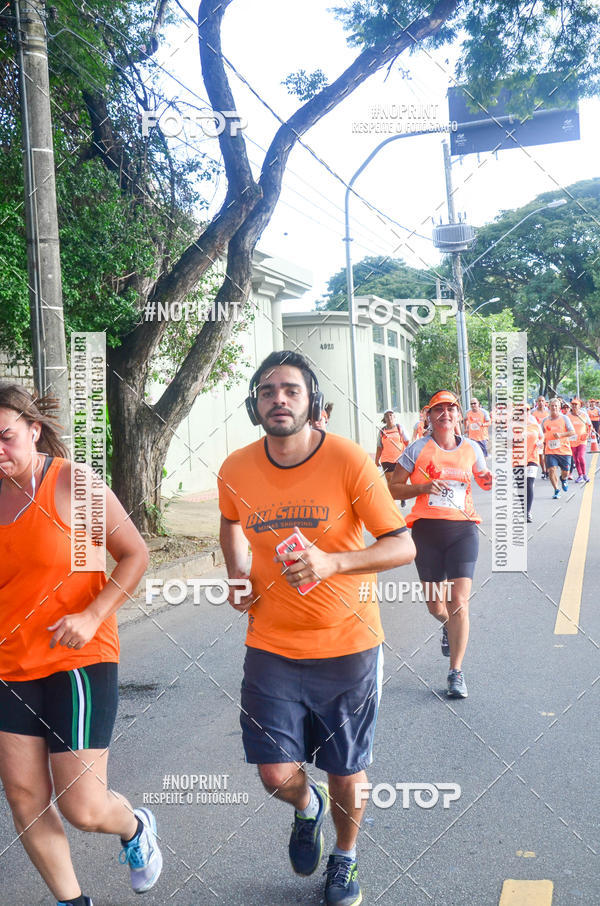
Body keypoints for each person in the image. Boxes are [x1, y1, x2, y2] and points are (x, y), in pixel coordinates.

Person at [218, 351, 415, 906]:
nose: (277, 398)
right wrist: (236, 575)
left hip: (346, 644)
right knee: (276, 772)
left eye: (290, 390)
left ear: (312, 403)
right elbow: (231, 522)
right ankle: (308, 808)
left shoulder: (350, 461)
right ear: (255, 405)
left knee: (345, 768)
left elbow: (403, 544)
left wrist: (333, 563)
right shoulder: (235, 468)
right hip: (271, 643)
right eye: (266, 391)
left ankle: (345, 859)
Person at [0, 384, 162, 906]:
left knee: (82, 806)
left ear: (33, 430)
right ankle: (73, 903)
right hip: (8, 664)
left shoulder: (70, 484)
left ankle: (134, 827)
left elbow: (132, 554)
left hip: (77, 657)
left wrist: (93, 615)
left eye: (5, 437)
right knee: (25, 797)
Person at [389, 390, 493, 699]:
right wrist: (422, 486)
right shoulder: (417, 448)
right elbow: (393, 489)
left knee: (459, 602)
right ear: (429, 416)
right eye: (439, 410)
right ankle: (447, 626)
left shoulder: (474, 448)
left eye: (451, 409)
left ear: (458, 415)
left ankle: (456, 672)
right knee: (436, 605)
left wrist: (487, 479)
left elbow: (483, 478)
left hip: (463, 530)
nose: (445, 414)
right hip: (427, 532)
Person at [541, 398, 576, 499]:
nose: (554, 408)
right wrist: (540, 442)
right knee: (551, 470)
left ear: (559, 407)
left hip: (564, 450)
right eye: (552, 406)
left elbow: (572, 432)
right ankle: (556, 490)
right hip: (550, 450)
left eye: (556, 406)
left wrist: (561, 435)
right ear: (549, 407)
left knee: (566, 472)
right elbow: (540, 434)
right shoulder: (545, 421)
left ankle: (563, 479)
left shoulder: (564, 418)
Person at [375, 410, 410, 494]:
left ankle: (402, 496)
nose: (389, 417)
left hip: (399, 458)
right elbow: (379, 447)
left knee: (400, 479)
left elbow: (407, 442)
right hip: (386, 459)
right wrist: (376, 460)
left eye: (391, 415)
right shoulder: (382, 431)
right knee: (390, 481)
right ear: (385, 419)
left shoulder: (399, 428)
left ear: (394, 417)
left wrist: (407, 454)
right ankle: (392, 499)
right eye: (387, 416)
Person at [569, 399, 591, 483]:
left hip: (582, 440)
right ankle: (580, 475)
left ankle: (585, 474)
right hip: (572, 440)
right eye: (573, 404)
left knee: (580, 456)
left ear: (580, 406)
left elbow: (589, 426)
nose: (574, 406)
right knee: (575, 458)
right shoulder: (568, 416)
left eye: (576, 404)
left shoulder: (584, 415)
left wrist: (587, 434)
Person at [531, 396, 550, 478]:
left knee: (547, 454)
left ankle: (548, 470)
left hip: (547, 434)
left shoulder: (548, 411)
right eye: (539, 401)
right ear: (537, 402)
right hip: (538, 436)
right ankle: (544, 471)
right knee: (540, 454)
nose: (541, 402)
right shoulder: (533, 412)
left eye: (542, 401)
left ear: (545, 402)